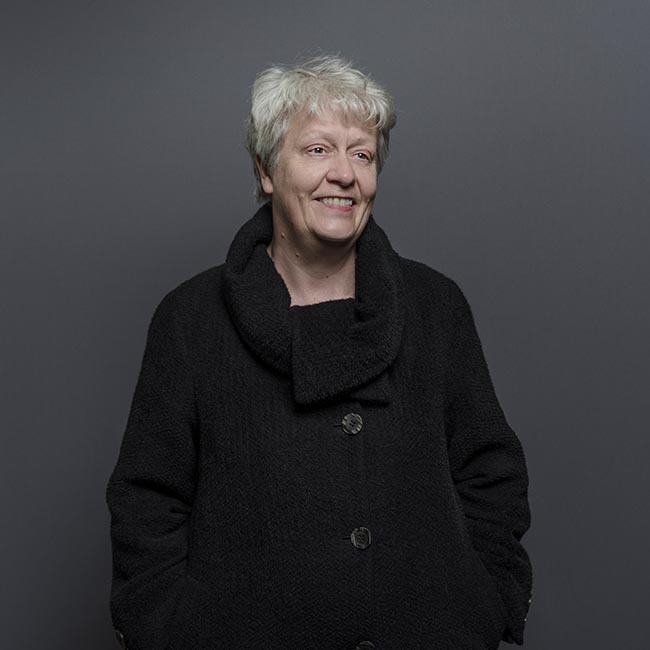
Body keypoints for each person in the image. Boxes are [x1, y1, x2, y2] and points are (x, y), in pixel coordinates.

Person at [106, 55, 532, 650]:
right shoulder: (189, 320)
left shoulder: (436, 306)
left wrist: (486, 601)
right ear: (265, 171)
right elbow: (148, 500)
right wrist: (169, 628)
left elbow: (490, 471)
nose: (345, 174)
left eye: (362, 154)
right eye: (317, 150)